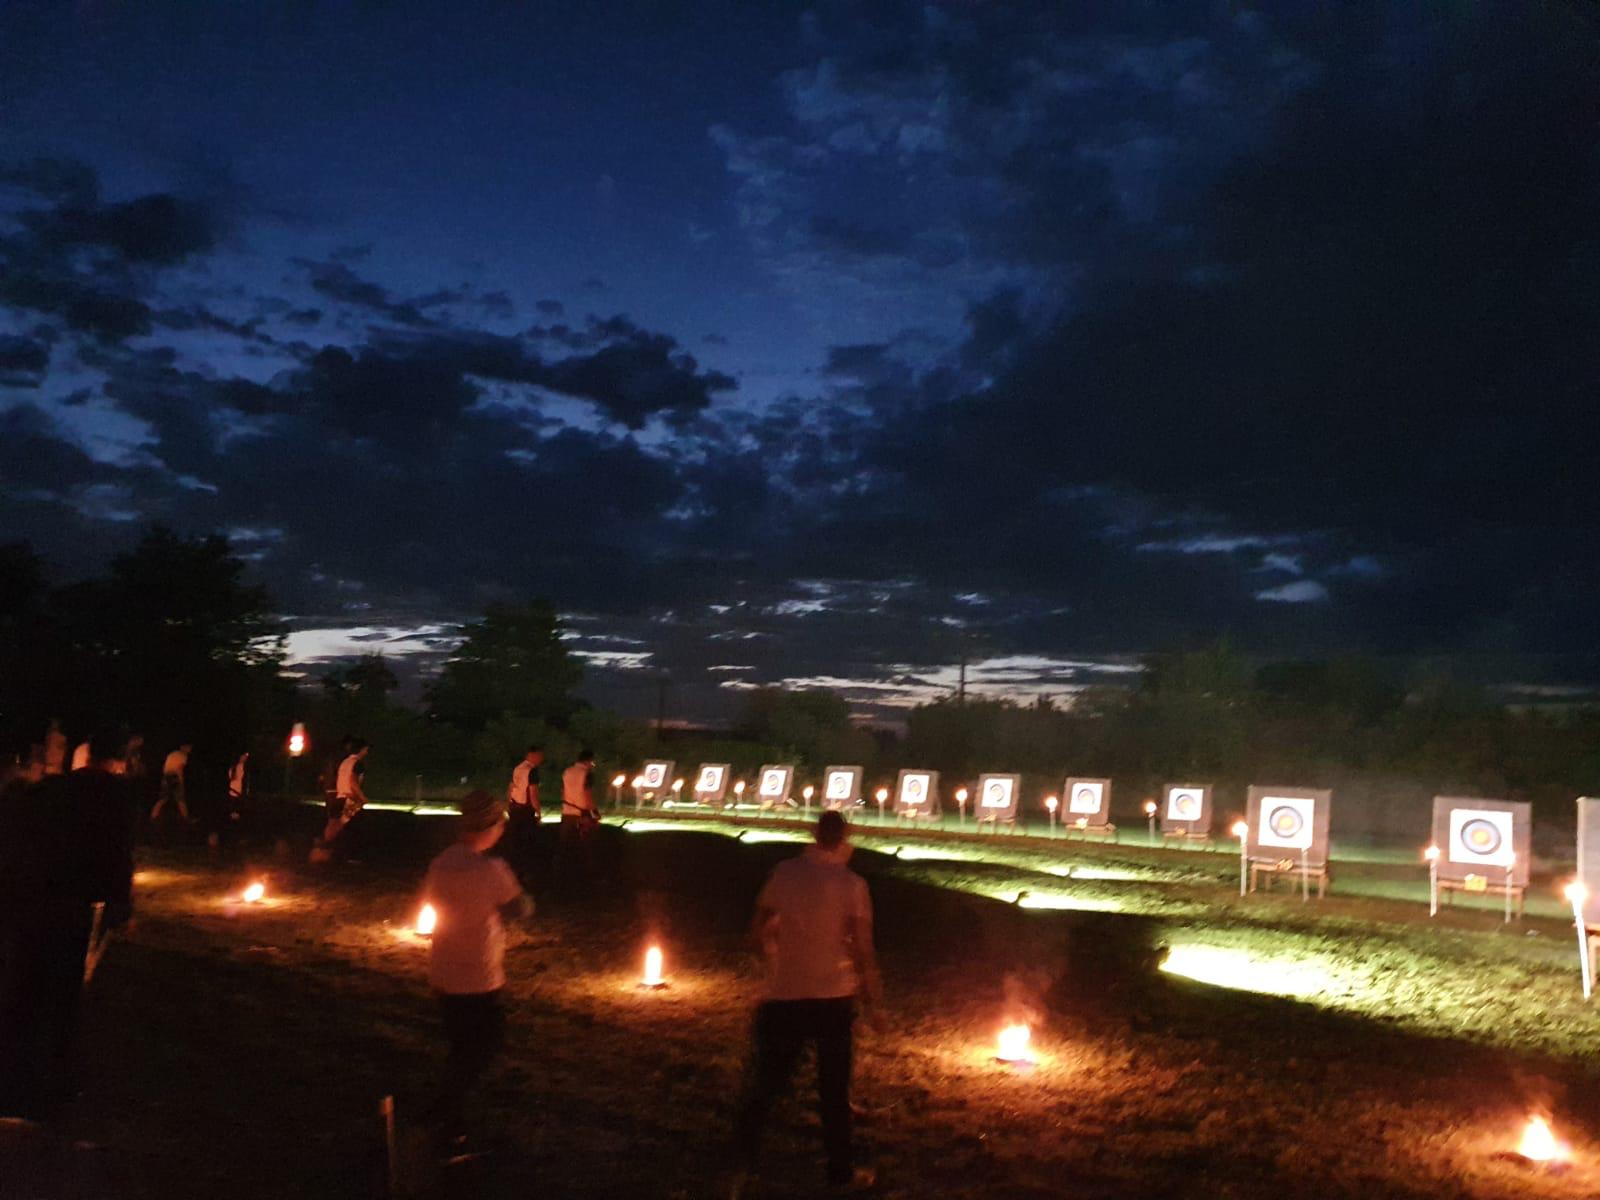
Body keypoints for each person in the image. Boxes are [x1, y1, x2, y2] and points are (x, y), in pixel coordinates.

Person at [729, 811, 881, 1196]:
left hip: (784, 996)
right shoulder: (852, 884)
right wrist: (874, 1001)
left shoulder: (784, 873)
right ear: (844, 839)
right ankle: (839, 1174)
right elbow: (863, 950)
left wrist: (775, 959)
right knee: (833, 1092)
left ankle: (740, 1165)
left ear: (814, 834)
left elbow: (754, 934)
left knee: (765, 1085)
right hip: (833, 999)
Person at [0, 727, 136, 1119]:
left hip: (27, 898)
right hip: (67, 903)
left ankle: (15, 1084)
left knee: (23, 990)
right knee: (61, 995)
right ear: (119, 759)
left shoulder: (51, 789)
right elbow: (117, 851)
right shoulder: (113, 795)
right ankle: (51, 1087)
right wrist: (120, 903)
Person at [420, 790, 532, 1148]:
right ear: (489, 826)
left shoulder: (441, 863)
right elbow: (519, 908)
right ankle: (446, 1113)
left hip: (443, 970)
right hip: (478, 976)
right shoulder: (491, 870)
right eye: (500, 824)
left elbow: (432, 901)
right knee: (482, 1047)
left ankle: (448, 1112)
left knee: (461, 1046)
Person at [311, 739, 369, 863]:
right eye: (366, 749)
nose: (367, 752)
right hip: (350, 799)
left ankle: (321, 850)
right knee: (351, 828)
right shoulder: (358, 763)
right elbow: (353, 781)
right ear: (361, 749)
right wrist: (362, 797)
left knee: (333, 824)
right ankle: (349, 855)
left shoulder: (345, 762)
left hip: (339, 796)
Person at [559, 748, 599, 886]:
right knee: (586, 847)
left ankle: (563, 875)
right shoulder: (587, 774)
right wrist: (594, 813)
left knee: (565, 846)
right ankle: (586, 878)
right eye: (592, 762)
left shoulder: (567, 771)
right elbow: (587, 795)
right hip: (582, 815)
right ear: (588, 761)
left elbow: (563, 792)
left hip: (567, 813)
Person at [504, 745, 544, 882]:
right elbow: (533, 794)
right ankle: (526, 874)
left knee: (515, 842)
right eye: (540, 756)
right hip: (525, 811)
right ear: (533, 755)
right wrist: (538, 812)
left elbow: (511, 787)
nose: (541, 759)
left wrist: (508, 804)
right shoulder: (532, 771)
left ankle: (512, 872)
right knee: (527, 843)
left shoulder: (518, 768)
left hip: (514, 808)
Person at [149, 742, 193, 824]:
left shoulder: (172, 754)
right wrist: (181, 780)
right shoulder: (183, 756)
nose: (189, 749)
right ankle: (186, 818)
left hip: (166, 776)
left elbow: (164, 767)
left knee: (162, 798)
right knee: (180, 798)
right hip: (174, 777)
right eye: (188, 747)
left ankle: (153, 816)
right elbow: (179, 768)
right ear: (183, 747)